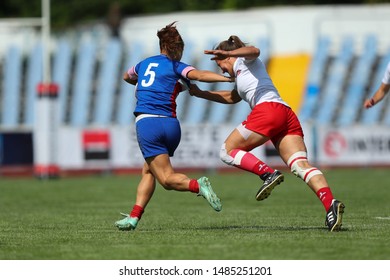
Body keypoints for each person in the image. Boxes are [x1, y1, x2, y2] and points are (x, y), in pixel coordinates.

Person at [189, 35, 345, 232]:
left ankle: (267, 173)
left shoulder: (246, 60)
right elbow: (231, 97)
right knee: (300, 166)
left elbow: (255, 50)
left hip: (268, 110)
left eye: (220, 64)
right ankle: (331, 205)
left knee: (227, 151)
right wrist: (200, 93)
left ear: (227, 56)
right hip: (285, 114)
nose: (221, 70)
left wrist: (228, 52)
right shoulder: (242, 75)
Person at [115, 22, 234, 231]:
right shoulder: (177, 68)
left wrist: (143, 85)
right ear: (177, 48)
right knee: (149, 171)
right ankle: (134, 217)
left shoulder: (144, 64)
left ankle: (198, 185)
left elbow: (126, 76)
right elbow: (199, 75)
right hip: (171, 126)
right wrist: (227, 78)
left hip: (148, 123)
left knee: (167, 180)